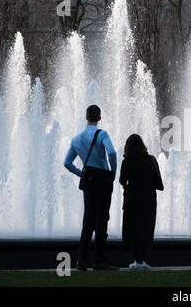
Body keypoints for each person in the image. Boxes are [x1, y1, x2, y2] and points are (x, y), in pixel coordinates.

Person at [64, 105, 118, 271]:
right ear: (99, 118)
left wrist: (81, 174)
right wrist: (112, 173)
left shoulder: (76, 139)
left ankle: (81, 260)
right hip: (102, 181)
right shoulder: (102, 134)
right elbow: (112, 152)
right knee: (102, 220)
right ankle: (99, 260)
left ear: (86, 117)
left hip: (88, 181)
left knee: (88, 221)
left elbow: (67, 163)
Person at [119, 134, 164, 270]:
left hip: (132, 199)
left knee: (132, 229)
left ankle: (136, 260)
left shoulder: (126, 161)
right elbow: (159, 182)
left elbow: (122, 180)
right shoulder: (151, 160)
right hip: (148, 199)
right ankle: (142, 259)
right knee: (146, 228)